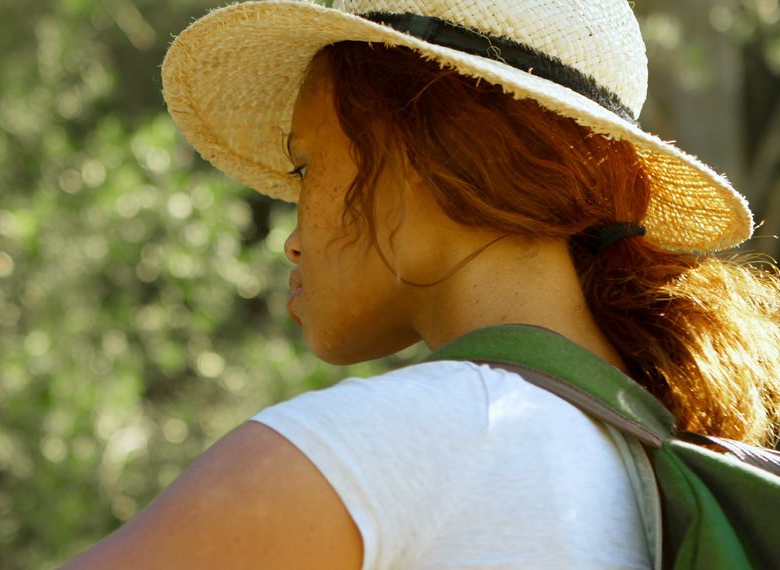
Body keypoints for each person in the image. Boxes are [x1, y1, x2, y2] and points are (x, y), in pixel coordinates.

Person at [63, 0, 779, 569]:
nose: (291, 238)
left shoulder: (391, 446)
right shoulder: (647, 459)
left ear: (412, 153)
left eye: (306, 168)